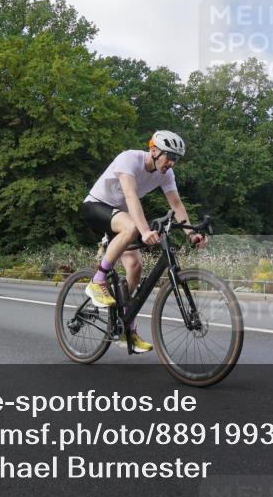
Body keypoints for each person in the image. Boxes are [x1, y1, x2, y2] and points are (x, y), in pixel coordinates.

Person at [82, 131, 207, 353]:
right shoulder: (129, 159)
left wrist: (190, 233)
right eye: (169, 156)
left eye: (176, 159)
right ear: (154, 151)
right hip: (96, 206)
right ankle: (97, 280)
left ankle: (126, 326)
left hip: (120, 216)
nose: (171, 163)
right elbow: (131, 196)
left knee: (135, 267)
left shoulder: (166, 174)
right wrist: (144, 230)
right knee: (132, 227)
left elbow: (176, 205)